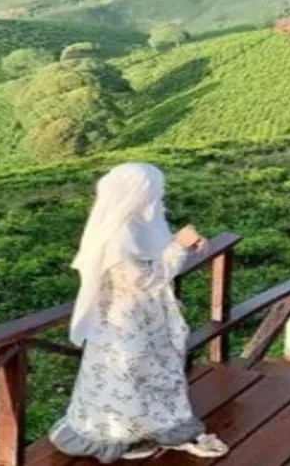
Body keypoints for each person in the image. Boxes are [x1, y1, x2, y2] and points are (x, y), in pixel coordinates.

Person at [49, 163, 229, 462]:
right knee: (126, 373)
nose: (159, 197)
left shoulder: (135, 221)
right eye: (153, 191)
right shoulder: (118, 235)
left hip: (142, 317)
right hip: (126, 321)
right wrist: (178, 248)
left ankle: (147, 428)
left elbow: (152, 261)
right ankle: (122, 434)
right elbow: (141, 281)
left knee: (147, 371)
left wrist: (178, 244)